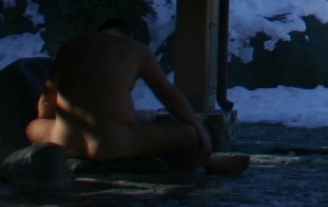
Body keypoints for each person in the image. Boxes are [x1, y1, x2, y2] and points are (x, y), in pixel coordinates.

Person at [26, 18, 249, 176]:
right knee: (187, 134)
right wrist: (198, 129)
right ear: (130, 35)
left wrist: (46, 125)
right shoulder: (136, 49)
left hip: (62, 141)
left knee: (33, 126)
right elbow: (169, 95)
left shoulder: (71, 46)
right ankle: (210, 161)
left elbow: (47, 99)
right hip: (111, 144)